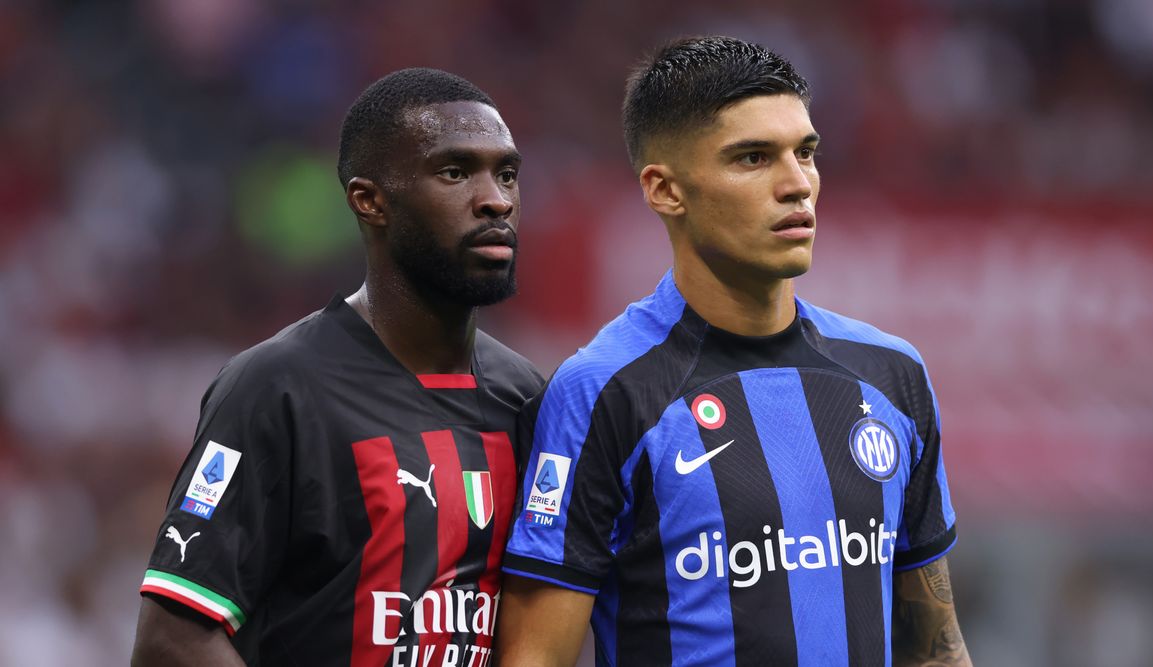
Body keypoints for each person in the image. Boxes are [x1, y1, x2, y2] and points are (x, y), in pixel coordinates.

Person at [497, 36, 971, 666]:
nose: (797, 185)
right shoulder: (605, 389)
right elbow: (536, 658)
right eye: (753, 158)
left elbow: (936, 649)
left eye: (806, 153)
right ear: (665, 190)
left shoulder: (890, 373)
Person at [130, 68, 542, 667]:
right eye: (455, 172)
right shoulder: (277, 387)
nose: (496, 199)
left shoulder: (526, 397)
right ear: (370, 201)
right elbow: (171, 639)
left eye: (506, 174)